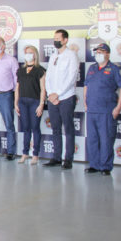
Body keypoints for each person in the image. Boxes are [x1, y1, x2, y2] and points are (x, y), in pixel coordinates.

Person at [83, 43, 121, 176]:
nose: (98, 54)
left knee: (106, 139)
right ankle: (94, 165)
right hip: (92, 110)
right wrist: (85, 102)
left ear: (107, 54)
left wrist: (118, 107)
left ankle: (105, 166)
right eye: (97, 52)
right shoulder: (92, 68)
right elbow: (86, 85)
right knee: (92, 139)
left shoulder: (114, 69)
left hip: (107, 110)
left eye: (101, 52)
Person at [44, 29, 79, 169]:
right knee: (55, 129)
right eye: (55, 38)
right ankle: (56, 157)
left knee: (68, 129)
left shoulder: (71, 55)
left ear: (65, 40)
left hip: (66, 97)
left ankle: (68, 159)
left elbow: (71, 78)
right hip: (52, 98)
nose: (56, 41)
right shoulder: (53, 56)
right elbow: (48, 77)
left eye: (58, 39)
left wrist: (58, 93)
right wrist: (50, 94)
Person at [15, 45, 46, 165]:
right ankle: (25, 153)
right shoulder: (20, 70)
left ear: (35, 54)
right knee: (26, 128)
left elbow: (43, 89)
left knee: (35, 127)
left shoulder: (40, 70)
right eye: (26, 52)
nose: (28, 54)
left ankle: (35, 154)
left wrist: (41, 104)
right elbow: (17, 88)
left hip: (35, 102)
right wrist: (16, 103)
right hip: (22, 102)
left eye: (30, 52)